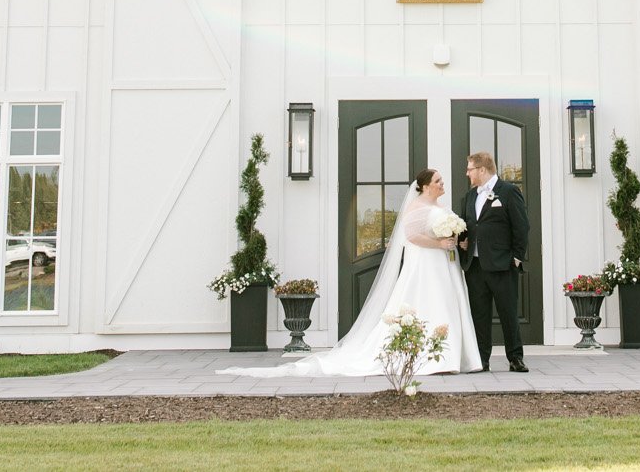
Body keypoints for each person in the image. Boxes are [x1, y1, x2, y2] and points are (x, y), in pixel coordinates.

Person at [219, 167, 482, 378]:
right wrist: (438, 243)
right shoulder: (417, 207)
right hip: (426, 265)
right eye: (438, 181)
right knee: (426, 302)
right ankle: (426, 357)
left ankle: (449, 355)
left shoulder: (440, 207)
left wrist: (457, 240)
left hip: (444, 264)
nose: (442, 183)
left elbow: (445, 230)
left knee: (445, 303)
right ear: (425, 186)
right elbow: (411, 236)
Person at [459, 150, 529, 373]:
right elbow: (467, 227)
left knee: (508, 313)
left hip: (502, 265)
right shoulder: (469, 197)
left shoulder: (508, 192)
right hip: (476, 267)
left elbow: (521, 227)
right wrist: (463, 243)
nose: (467, 173)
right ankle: (482, 359)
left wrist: (516, 258)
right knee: (479, 315)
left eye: (470, 169)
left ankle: (515, 358)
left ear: (482, 169)